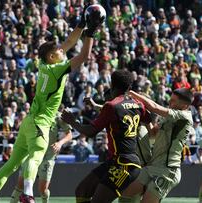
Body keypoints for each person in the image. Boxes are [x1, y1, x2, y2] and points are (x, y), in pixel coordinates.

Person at [0, 7, 104, 203]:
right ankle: (28, 194)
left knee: (12, 164)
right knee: (36, 158)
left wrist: (82, 23)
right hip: (41, 123)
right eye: (57, 50)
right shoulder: (57, 69)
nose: (61, 49)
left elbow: (70, 41)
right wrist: (90, 32)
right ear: (52, 56)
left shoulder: (45, 65)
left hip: (28, 122)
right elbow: (83, 57)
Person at [61, 70, 152, 203]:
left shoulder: (111, 106)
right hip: (115, 162)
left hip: (125, 164)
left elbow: (91, 131)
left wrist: (72, 122)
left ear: (112, 85)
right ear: (129, 87)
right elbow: (148, 118)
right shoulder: (138, 105)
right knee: (82, 190)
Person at [122, 87, 194, 203]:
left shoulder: (185, 117)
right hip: (153, 166)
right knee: (125, 194)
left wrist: (133, 94)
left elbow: (154, 107)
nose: (169, 102)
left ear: (185, 106)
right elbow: (153, 133)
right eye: (170, 99)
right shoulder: (168, 117)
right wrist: (144, 118)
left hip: (168, 170)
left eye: (173, 101)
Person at [10, 110, 72, 203]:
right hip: (32, 154)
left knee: (42, 190)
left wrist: (60, 143)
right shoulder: (34, 113)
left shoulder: (58, 116)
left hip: (48, 156)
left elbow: (69, 134)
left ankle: (45, 200)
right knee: (20, 185)